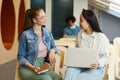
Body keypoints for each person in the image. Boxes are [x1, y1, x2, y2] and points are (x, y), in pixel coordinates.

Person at [64, 9, 110, 80]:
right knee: (69, 71)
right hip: (81, 66)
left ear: (89, 22)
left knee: (77, 78)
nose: (79, 23)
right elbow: (78, 51)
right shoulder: (79, 34)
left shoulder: (101, 37)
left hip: (96, 68)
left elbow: (106, 58)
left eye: (81, 21)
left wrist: (98, 63)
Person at [17, 7, 61, 80]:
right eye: (42, 17)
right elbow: (20, 57)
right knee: (46, 78)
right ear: (34, 20)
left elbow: (54, 47)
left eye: (45, 16)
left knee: (58, 78)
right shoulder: (25, 35)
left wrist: (52, 51)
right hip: (28, 68)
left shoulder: (47, 32)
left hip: (43, 66)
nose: (45, 19)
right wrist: (33, 67)